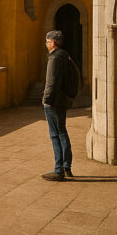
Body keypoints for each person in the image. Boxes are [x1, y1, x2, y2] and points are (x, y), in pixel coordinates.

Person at [42, 30, 74, 181]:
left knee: (55, 135)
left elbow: (51, 82)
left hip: (54, 102)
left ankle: (58, 170)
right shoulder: (65, 55)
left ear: (53, 43)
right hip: (63, 100)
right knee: (62, 132)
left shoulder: (54, 58)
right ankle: (67, 167)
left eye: (47, 41)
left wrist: (46, 100)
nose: (46, 44)